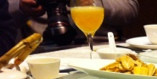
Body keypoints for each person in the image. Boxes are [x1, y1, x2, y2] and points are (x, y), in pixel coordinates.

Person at [8, 0, 139, 43]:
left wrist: (92, 3)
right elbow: (4, 17)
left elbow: (129, 10)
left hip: (100, 44)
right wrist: (21, 7)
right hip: (43, 50)